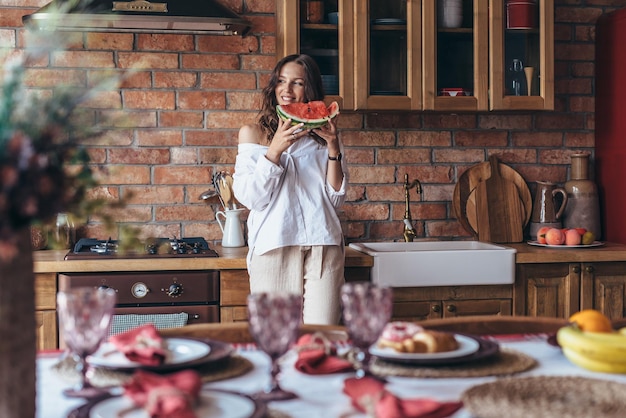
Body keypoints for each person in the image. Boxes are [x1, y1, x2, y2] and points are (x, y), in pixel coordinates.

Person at [232, 54, 348, 325]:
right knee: (277, 340)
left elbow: (336, 200)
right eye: (281, 81)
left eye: (297, 83)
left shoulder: (325, 136)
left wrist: (333, 149)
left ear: (310, 91)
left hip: (323, 246)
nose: (287, 89)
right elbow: (251, 198)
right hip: (274, 246)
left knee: (322, 337)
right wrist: (274, 151)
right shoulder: (252, 133)